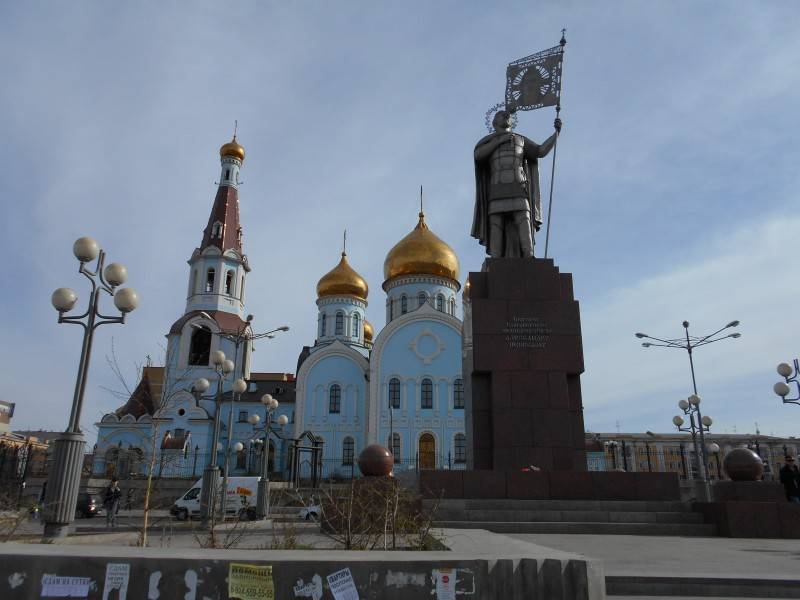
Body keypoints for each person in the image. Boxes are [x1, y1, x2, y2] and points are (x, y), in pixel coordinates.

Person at [472, 109, 561, 258]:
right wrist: (499, 140)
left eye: (508, 116)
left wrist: (556, 134)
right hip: (496, 188)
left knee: (524, 220)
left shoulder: (520, 140)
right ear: (494, 122)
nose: (506, 116)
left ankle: (529, 255)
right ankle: (496, 258)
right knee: (496, 224)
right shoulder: (488, 141)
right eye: (501, 115)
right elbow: (478, 155)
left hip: (518, 187)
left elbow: (540, 151)